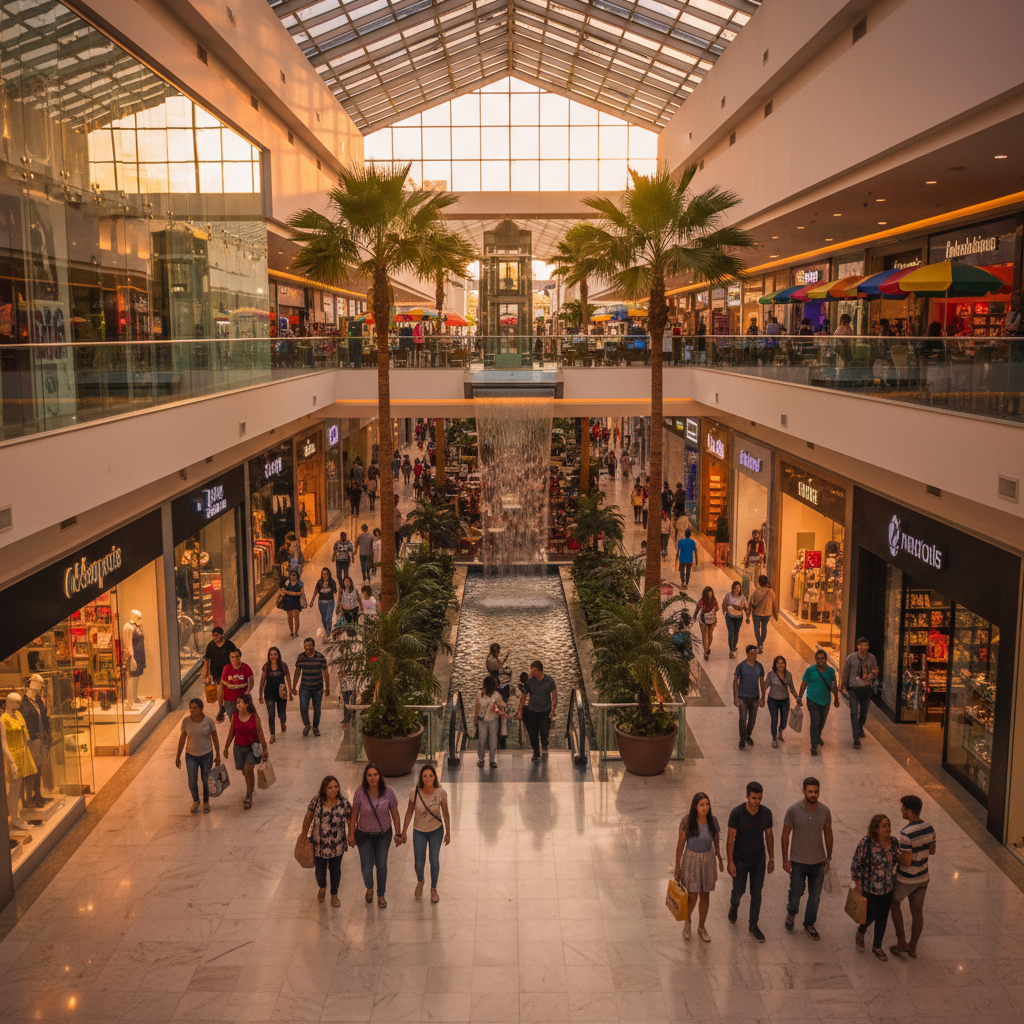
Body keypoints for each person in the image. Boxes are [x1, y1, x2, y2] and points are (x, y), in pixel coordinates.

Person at [782, 776, 833, 940]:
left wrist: (829, 857)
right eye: (810, 791)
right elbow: (785, 835)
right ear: (803, 791)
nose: (813, 795)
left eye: (816, 792)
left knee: (815, 896)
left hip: (818, 861)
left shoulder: (825, 811)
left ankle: (809, 923)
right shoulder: (793, 810)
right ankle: (791, 913)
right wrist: (785, 859)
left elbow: (828, 833)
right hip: (798, 861)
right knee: (796, 892)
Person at [889, 794, 936, 959]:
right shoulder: (929, 827)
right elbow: (932, 850)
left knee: (894, 903)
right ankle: (913, 947)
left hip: (907, 878)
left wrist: (898, 853)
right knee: (917, 912)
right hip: (923, 877)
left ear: (909, 811)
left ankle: (901, 941)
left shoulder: (906, 833)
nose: (901, 810)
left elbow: (906, 862)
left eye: (902, 808)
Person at [349, 763, 401, 909]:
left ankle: (381, 895)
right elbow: (354, 813)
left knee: (381, 865)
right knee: (366, 866)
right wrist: (350, 833)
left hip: (383, 835)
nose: (372, 778)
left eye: (375, 774)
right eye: (369, 775)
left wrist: (398, 833)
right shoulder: (360, 792)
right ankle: (369, 887)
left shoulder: (388, 792)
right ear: (366, 777)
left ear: (380, 776)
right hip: (363, 835)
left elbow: (395, 814)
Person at [727, 782, 774, 942]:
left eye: (759, 798)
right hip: (740, 860)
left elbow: (769, 836)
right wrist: (730, 862)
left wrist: (772, 858)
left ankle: (753, 925)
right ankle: (734, 905)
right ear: (747, 797)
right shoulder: (737, 813)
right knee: (739, 890)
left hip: (758, 860)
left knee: (757, 893)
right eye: (753, 798)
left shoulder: (766, 813)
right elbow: (730, 839)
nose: (756, 801)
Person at [673, 791, 723, 942]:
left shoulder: (713, 821)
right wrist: (677, 867)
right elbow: (680, 845)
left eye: (707, 804)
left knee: (705, 895)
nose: (705, 807)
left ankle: (702, 927)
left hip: (707, 861)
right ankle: (688, 922)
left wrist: (719, 858)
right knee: (693, 895)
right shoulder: (687, 822)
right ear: (695, 806)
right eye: (702, 804)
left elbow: (716, 841)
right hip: (691, 860)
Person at [400, 764, 451, 903]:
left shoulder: (440, 793)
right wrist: (404, 831)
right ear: (421, 778)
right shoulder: (414, 792)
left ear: (434, 777)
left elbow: (445, 813)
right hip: (419, 831)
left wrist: (448, 832)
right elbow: (409, 812)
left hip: (436, 830)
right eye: (425, 776)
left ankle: (433, 889)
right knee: (419, 862)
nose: (428, 778)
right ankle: (420, 880)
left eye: (430, 775)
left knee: (434, 860)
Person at [850, 813, 899, 960]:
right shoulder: (867, 843)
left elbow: (897, 861)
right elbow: (856, 864)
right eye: (884, 826)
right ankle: (861, 931)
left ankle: (877, 946)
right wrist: (858, 884)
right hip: (870, 888)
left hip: (887, 888)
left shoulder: (894, 842)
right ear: (876, 828)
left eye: (889, 825)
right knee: (869, 914)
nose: (888, 828)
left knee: (883, 917)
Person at [302, 775, 352, 907]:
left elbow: (351, 818)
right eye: (330, 787)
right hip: (319, 845)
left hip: (337, 846)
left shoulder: (344, 803)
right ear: (324, 789)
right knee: (320, 870)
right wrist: (303, 835)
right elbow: (308, 816)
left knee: (335, 870)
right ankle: (322, 887)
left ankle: (334, 895)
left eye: (336, 786)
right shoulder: (317, 801)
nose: (333, 789)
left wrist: (351, 834)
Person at [223, 694, 269, 811]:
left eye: (241, 702)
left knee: (248, 769)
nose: (238, 704)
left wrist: (264, 748)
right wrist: (226, 747)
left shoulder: (254, 717)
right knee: (245, 771)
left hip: (252, 748)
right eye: (237, 702)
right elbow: (231, 732)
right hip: (239, 748)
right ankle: (250, 784)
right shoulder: (234, 717)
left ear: (247, 704)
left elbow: (260, 732)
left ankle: (248, 795)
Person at [174, 697, 221, 813]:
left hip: (206, 754)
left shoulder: (209, 721)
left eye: (195, 708)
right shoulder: (186, 722)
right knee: (192, 780)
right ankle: (195, 800)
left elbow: (215, 738)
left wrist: (218, 754)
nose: (192, 710)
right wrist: (178, 756)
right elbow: (182, 739)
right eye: (191, 708)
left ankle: (206, 802)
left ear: (201, 709)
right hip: (191, 755)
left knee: (205, 779)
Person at [797, 649, 840, 755]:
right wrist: (799, 697)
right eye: (818, 659)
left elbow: (833, 685)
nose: (820, 660)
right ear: (816, 660)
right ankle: (814, 745)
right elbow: (803, 684)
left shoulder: (831, 671)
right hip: (813, 699)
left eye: (822, 658)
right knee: (815, 721)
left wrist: (836, 698)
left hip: (826, 700)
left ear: (826, 659)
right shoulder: (810, 670)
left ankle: (817, 736)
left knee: (822, 721)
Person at [516, 660, 557, 762]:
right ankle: (536, 753)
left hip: (545, 711)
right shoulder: (530, 682)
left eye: (534, 671)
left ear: (540, 671)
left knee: (544, 732)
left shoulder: (549, 680)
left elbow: (554, 695)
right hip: (532, 711)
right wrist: (520, 711)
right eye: (531, 671)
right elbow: (523, 696)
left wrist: (553, 710)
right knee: (532, 733)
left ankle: (544, 743)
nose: (531, 673)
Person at [841, 637, 878, 749]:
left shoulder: (872, 658)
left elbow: (876, 670)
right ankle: (856, 737)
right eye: (861, 645)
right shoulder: (851, 658)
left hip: (866, 688)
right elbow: (846, 672)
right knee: (853, 712)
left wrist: (870, 676)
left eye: (865, 645)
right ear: (857, 646)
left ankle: (860, 727)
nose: (863, 648)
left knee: (864, 712)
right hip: (853, 688)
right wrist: (843, 686)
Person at [294, 637, 330, 737]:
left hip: (317, 688)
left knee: (317, 708)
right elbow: (297, 672)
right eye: (306, 645)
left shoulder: (320, 657)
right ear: (304, 646)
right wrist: (294, 686)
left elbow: (326, 673)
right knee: (303, 707)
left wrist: (327, 687)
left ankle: (315, 727)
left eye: (310, 645)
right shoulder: (301, 657)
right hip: (304, 688)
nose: (308, 647)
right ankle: (307, 724)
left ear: (313, 646)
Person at [203, 627, 238, 722]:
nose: (214, 637)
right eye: (213, 635)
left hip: (229, 672)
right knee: (220, 688)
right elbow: (206, 660)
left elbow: (237, 654)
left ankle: (228, 707)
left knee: (227, 689)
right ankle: (221, 708)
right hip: (216, 673)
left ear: (222, 634)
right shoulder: (211, 645)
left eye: (216, 635)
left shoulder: (228, 644)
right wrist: (205, 673)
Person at [762, 655, 798, 748]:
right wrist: (762, 698)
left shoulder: (788, 675)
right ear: (775, 664)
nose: (781, 665)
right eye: (779, 663)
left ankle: (781, 730)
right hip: (773, 700)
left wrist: (797, 697)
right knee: (774, 719)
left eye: (782, 663)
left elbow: (792, 687)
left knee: (784, 721)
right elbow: (765, 686)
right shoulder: (771, 674)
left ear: (785, 664)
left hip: (784, 700)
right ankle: (774, 738)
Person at [258, 646, 292, 742]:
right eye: (271, 654)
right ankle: (272, 734)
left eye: (275, 654)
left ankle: (282, 722)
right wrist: (260, 694)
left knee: (282, 712)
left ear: (278, 655)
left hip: (282, 693)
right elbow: (262, 681)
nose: (273, 656)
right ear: (269, 656)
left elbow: (288, 679)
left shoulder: (283, 666)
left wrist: (290, 692)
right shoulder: (266, 667)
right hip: (269, 694)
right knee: (271, 714)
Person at [733, 645, 764, 749]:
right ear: (747, 654)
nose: (754, 655)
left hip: (754, 697)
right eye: (752, 653)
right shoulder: (741, 666)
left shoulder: (759, 666)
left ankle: (747, 735)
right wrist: (735, 697)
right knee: (742, 718)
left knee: (752, 719)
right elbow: (735, 681)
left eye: (755, 653)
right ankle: (742, 737)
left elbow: (762, 682)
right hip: (743, 696)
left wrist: (763, 697)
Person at [475, 676, 506, 769]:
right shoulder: (494, 695)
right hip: (489, 719)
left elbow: (477, 708)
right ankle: (486, 759)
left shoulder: (482, 694)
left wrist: (475, 720)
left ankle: (486, 760)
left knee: (488, 739)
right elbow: (503, 706)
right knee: (486, 739)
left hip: (488, 720)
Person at [220, 649, 254, 724]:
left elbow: (251, 681)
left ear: (240, 656)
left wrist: (247, 692)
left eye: (237, 656)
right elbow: (221, 686)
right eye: (233, 657)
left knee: (248, 719)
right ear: (229, 658)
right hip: (229, 700)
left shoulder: (246, 667)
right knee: (234, 721)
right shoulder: (226, 669)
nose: (235, 659)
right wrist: (220, 705)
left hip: (243, 698)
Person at [748, 574, 778, 653]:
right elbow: (774, 604)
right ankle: (761, 643)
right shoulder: (771, 591)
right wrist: (775, 614)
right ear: (767, 582)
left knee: (756, 628)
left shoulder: (756, 592)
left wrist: (748, 615)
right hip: (767, 613)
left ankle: (759, 643)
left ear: (759, 582)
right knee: (764, 628)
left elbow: (751, 603)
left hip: (756, 614)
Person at [722, 580, 748, 658]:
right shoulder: (728, 595)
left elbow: (746, 607)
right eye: (735, 588)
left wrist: (747, 616)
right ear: (733, 588)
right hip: (729, 617)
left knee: (736, 633)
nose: (737, 589)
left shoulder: (742, 597)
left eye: (738, 588)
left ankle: (734, 646)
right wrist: (725, 610)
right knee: (731, 632)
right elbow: (724, 604)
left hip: (738, 617)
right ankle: (731, 648)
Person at [311, 567, 338, 636]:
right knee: (324, 618)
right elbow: (316, 591)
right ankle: (326, 631)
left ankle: (328, 633)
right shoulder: (319, 582)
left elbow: (335, 591)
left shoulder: (332, 582)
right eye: (323, 574)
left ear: (329, 575)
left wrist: (329, 587)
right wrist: (312, 601)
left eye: (326, 574)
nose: (325, 576)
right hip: (321, 602)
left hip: (330, 601)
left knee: (328, 618)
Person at [280, 569, 305, 639]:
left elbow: (300, 593)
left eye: (294, 575)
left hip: (296, 602)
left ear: (297, 576)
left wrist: (288, 592)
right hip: (288, 602)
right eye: (291, 575)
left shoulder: (300, 583)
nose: (293, 577)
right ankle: (291, 631)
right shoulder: (287, 582)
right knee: (289, 617)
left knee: (296, 617)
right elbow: (283, 590)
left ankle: (296, 632)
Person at [696, 586, 718, 660]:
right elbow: (697, 608)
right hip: (703, 619)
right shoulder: (702, 600)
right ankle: (705, 653)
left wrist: (715, 608)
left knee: (710, 635)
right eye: (709, 595)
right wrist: (694, 616)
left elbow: (717, 607)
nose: (710, 596)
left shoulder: (714, 600)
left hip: (712, 620)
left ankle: (707, 648)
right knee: (704, 636)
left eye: (711, 594)